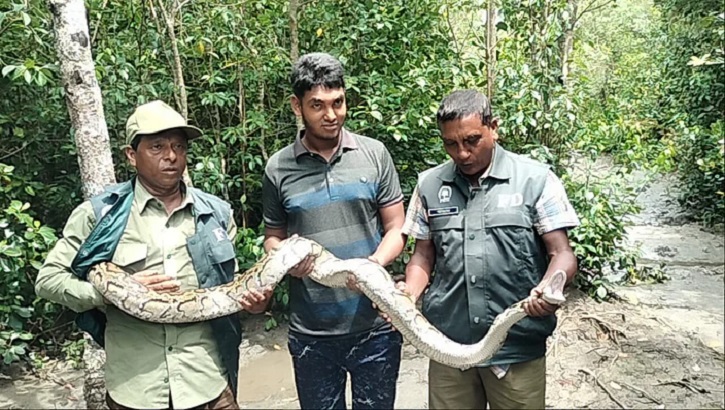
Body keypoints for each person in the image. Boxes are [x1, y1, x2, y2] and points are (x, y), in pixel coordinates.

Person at [35, 100, 271, 410]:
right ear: (131, 155)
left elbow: (231, 286)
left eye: (179, 146)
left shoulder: (216, 213)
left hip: (208, 383)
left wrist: (256, 302)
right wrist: (109, 293)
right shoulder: (99, 216)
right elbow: (47, 280)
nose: (171, 156)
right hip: (136, 388)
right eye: (157, 146)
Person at [398, 89, 580, 409]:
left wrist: (550, 288)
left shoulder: (536, 180)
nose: (462, 153)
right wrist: (408, 295)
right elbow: (423, 255)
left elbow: (561, 253)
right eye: (450, 144)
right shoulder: (429, 185)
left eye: (472, 140)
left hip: (516, 349)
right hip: (447, 347)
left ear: (493, 128)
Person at [260, 52, 407, 409]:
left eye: (338, 102)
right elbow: (272, 237)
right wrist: (283, 259)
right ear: (297, 106)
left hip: (376, 326)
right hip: (312, 334)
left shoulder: (374, 154)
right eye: (317, 105)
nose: (331, 115)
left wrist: (370, 266)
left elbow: (397, 228)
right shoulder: (278, 167)